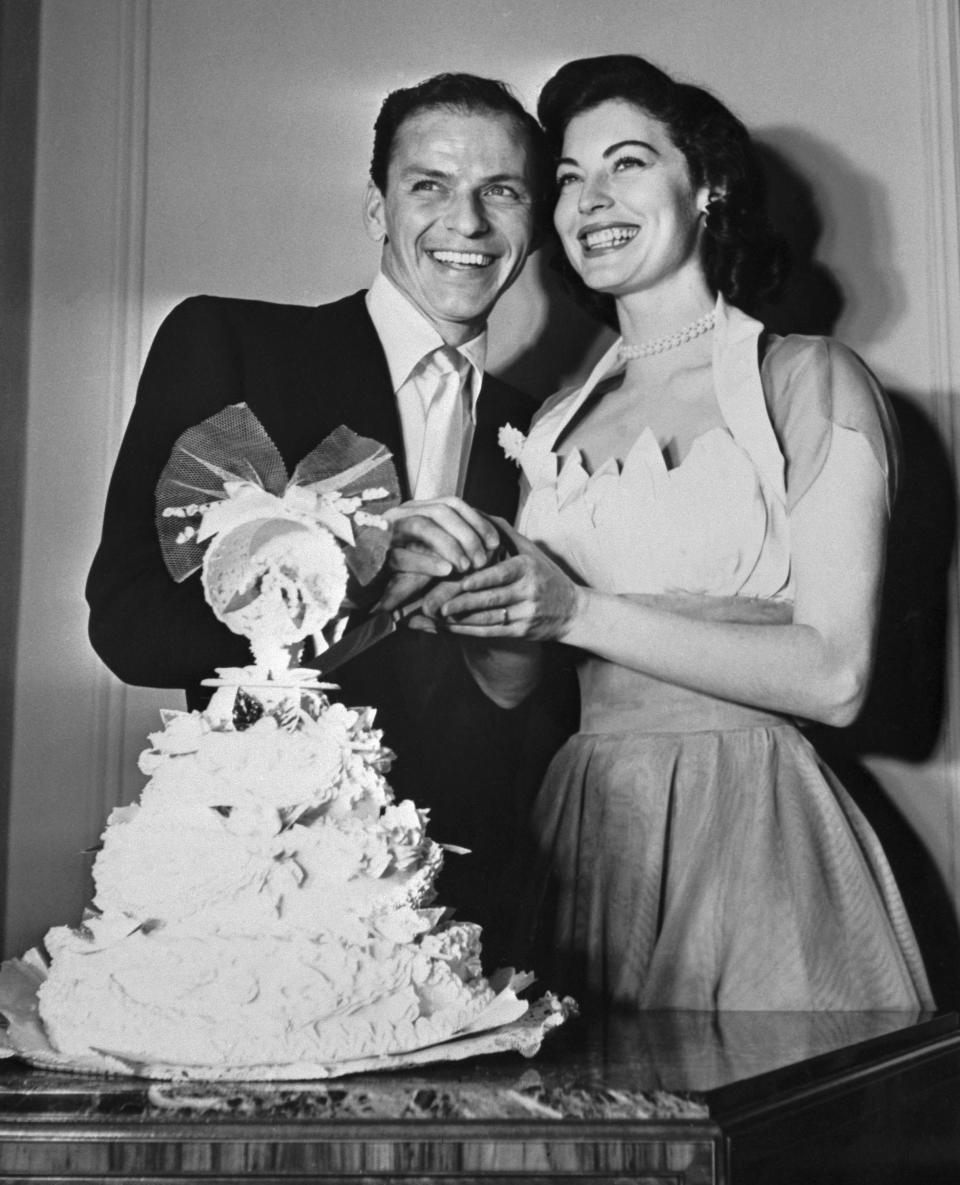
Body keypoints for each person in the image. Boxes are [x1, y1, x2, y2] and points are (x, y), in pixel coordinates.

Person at [415, 55, 934, 1009]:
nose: (589, 200)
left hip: (751, 823)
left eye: (626, 164)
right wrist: (473, 605)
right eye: (567, 178)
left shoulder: (809, 378)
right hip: (578, 833)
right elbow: (521, 682)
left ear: (710, 185)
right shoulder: (555, 417)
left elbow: (837, 677)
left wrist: (574, 606)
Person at [85, 72, 563, 957]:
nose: (467, 223)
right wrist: (368, 577)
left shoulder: (544, 429)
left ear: (533, 223)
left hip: (471, 911)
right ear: (378, 209)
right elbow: (128, 626)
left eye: (500, 191)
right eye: (430, 186)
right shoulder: (232, 344)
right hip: (259, 902)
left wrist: (517, 667)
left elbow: (543, 712)